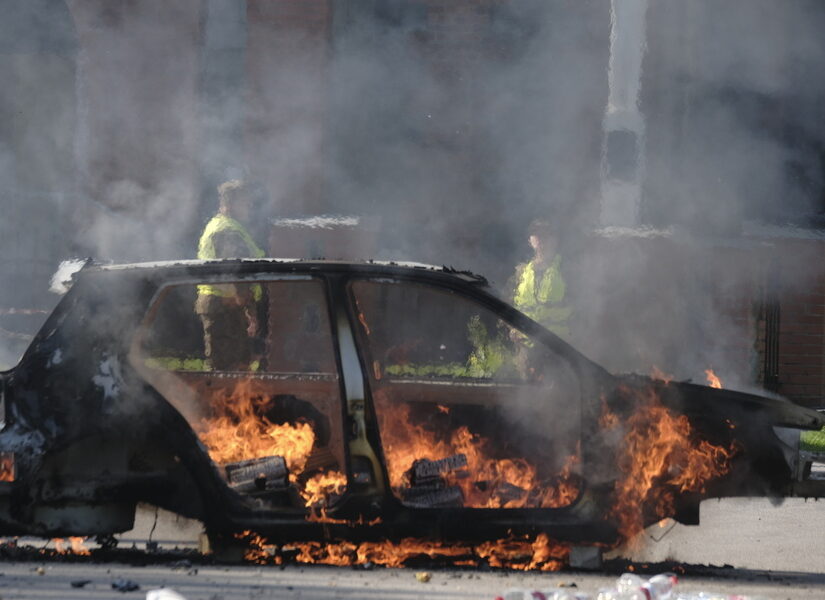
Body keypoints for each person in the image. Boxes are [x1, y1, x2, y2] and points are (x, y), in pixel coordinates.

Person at [195, 179, 266, 371]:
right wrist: (250, 312)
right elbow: (237, 273)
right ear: (231, 203)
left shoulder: (226, 226)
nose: (249, 206)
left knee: (236, 368)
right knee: (226, 370)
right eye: (246, 201)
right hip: (224, 308)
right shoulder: (226, 230)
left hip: (226, 306)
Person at [511, 219, 572, 340]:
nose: (542, 238)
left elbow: (584, 307)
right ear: (530, 240)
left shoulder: (568, 270)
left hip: (559, 349)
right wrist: (511, 328)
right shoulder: (520, 272)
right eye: (537, 234)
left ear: (555, 240)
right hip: (525, 349)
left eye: (547, 234)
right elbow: (506, 304)